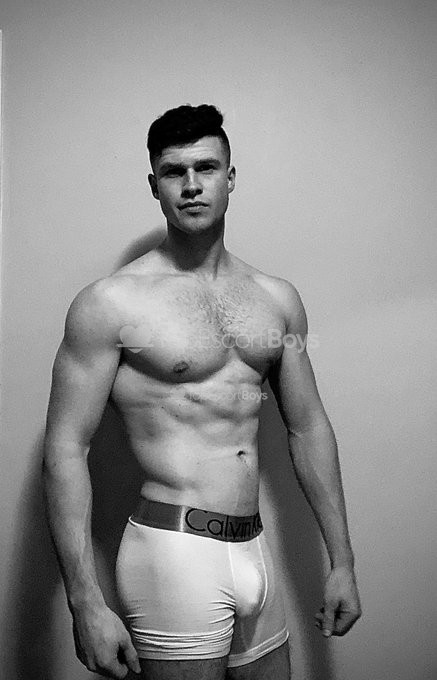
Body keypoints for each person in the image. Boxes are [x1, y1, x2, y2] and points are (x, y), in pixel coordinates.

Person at [42, 104, 361, 680]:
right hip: (173, 555)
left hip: (254, 547)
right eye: (174, 172)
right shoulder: (112, 303)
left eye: (206, 168)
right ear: (154, 186)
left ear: (230, 178)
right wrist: (84, 602)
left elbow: (308, 427)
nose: (191, 185)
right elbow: (66, 448)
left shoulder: (275, 298)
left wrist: (343, 561)